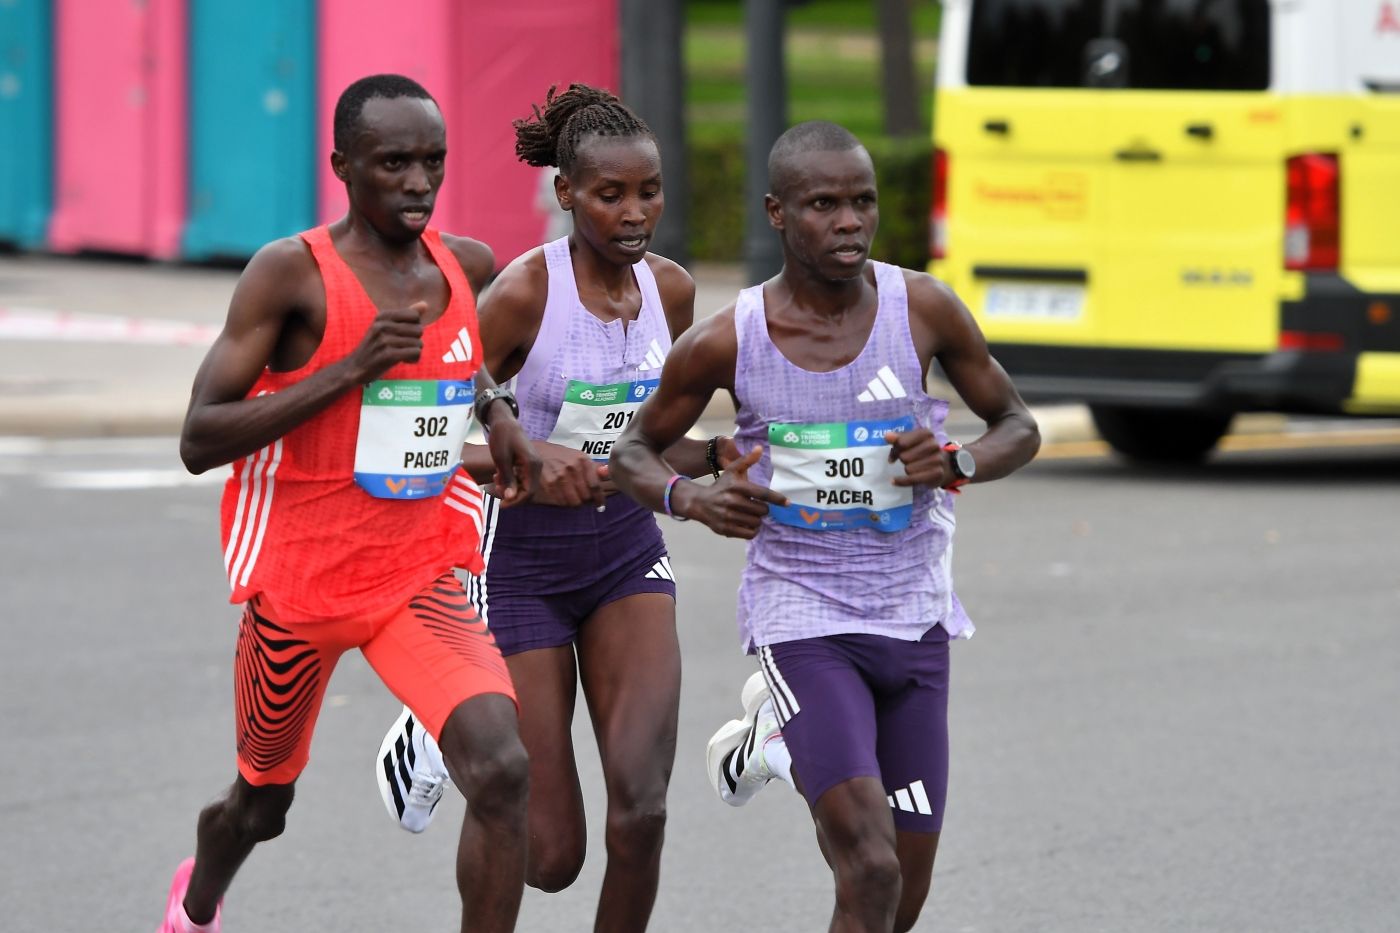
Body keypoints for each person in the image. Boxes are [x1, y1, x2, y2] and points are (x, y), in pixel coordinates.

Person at [610, 120, 1041, 933]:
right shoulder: (730, 337)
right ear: (777, 212)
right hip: (801, 614)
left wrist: (957, 461)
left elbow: (1018, 425)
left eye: (863, 202)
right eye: (824, 205)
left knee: (897, 903)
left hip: (914, 618)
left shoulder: (923, 308)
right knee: (869, 867)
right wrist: (694, 498)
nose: (850, 222)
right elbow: (634, 448)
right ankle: (790, 726)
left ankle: (775, 741)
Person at [156, 74, 540, 933]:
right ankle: (196, 902)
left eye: (433, 161)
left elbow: (460, 353)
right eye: (393, 162)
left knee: (502, 767)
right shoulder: (290, 275)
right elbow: (199, 437)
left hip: (416, 576)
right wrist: (350, 369)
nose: (418, 182)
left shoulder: (463, 264)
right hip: (301, 588)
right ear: (342, 166)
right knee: (262, 805)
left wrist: (496, 411)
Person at [372, 84, 731, 932]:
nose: (635, 213)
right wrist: (524, 458)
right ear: (566, 192)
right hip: (519, 565)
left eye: (650, 191)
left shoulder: (672, 292)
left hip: (625, 554)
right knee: (551, 855)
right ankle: (439, 729)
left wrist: (720, 457)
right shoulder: (525, 294)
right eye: (610, 194)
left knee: (642, 811)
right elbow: (409, 436)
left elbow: (645, 444)